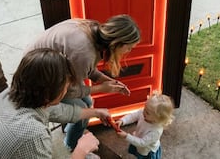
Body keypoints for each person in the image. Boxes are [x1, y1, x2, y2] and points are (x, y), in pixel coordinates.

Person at [0, 48, 110, 159]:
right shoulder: (32, 135)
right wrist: (80, 151)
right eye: (66, 86)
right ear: (50, 93)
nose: (68, 89)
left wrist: (97, 112)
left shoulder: (10, 96)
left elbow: (60, 111)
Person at [24, 14, 141, 150]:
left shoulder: (94, 29)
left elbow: (86, 69)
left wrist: (107, 81)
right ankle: (71, 145)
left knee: (88, 102)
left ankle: (72, 129)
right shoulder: (84, 52)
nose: (129, 52)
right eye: (129, 48)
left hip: (44, 66)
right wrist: (101, 88)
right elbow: (68, 91)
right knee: (84, 111)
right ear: (118, 44)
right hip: (37, 79)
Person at [115, 91, 175, 159]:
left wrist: (126, 136)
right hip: (138, 140)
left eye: (147, 112)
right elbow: (133, 116)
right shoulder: (144, 114)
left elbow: (142, 143)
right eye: (144, 108)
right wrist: (122, 121)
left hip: (147, 150)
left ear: (157, 118)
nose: (143, 111)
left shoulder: (156, 131)